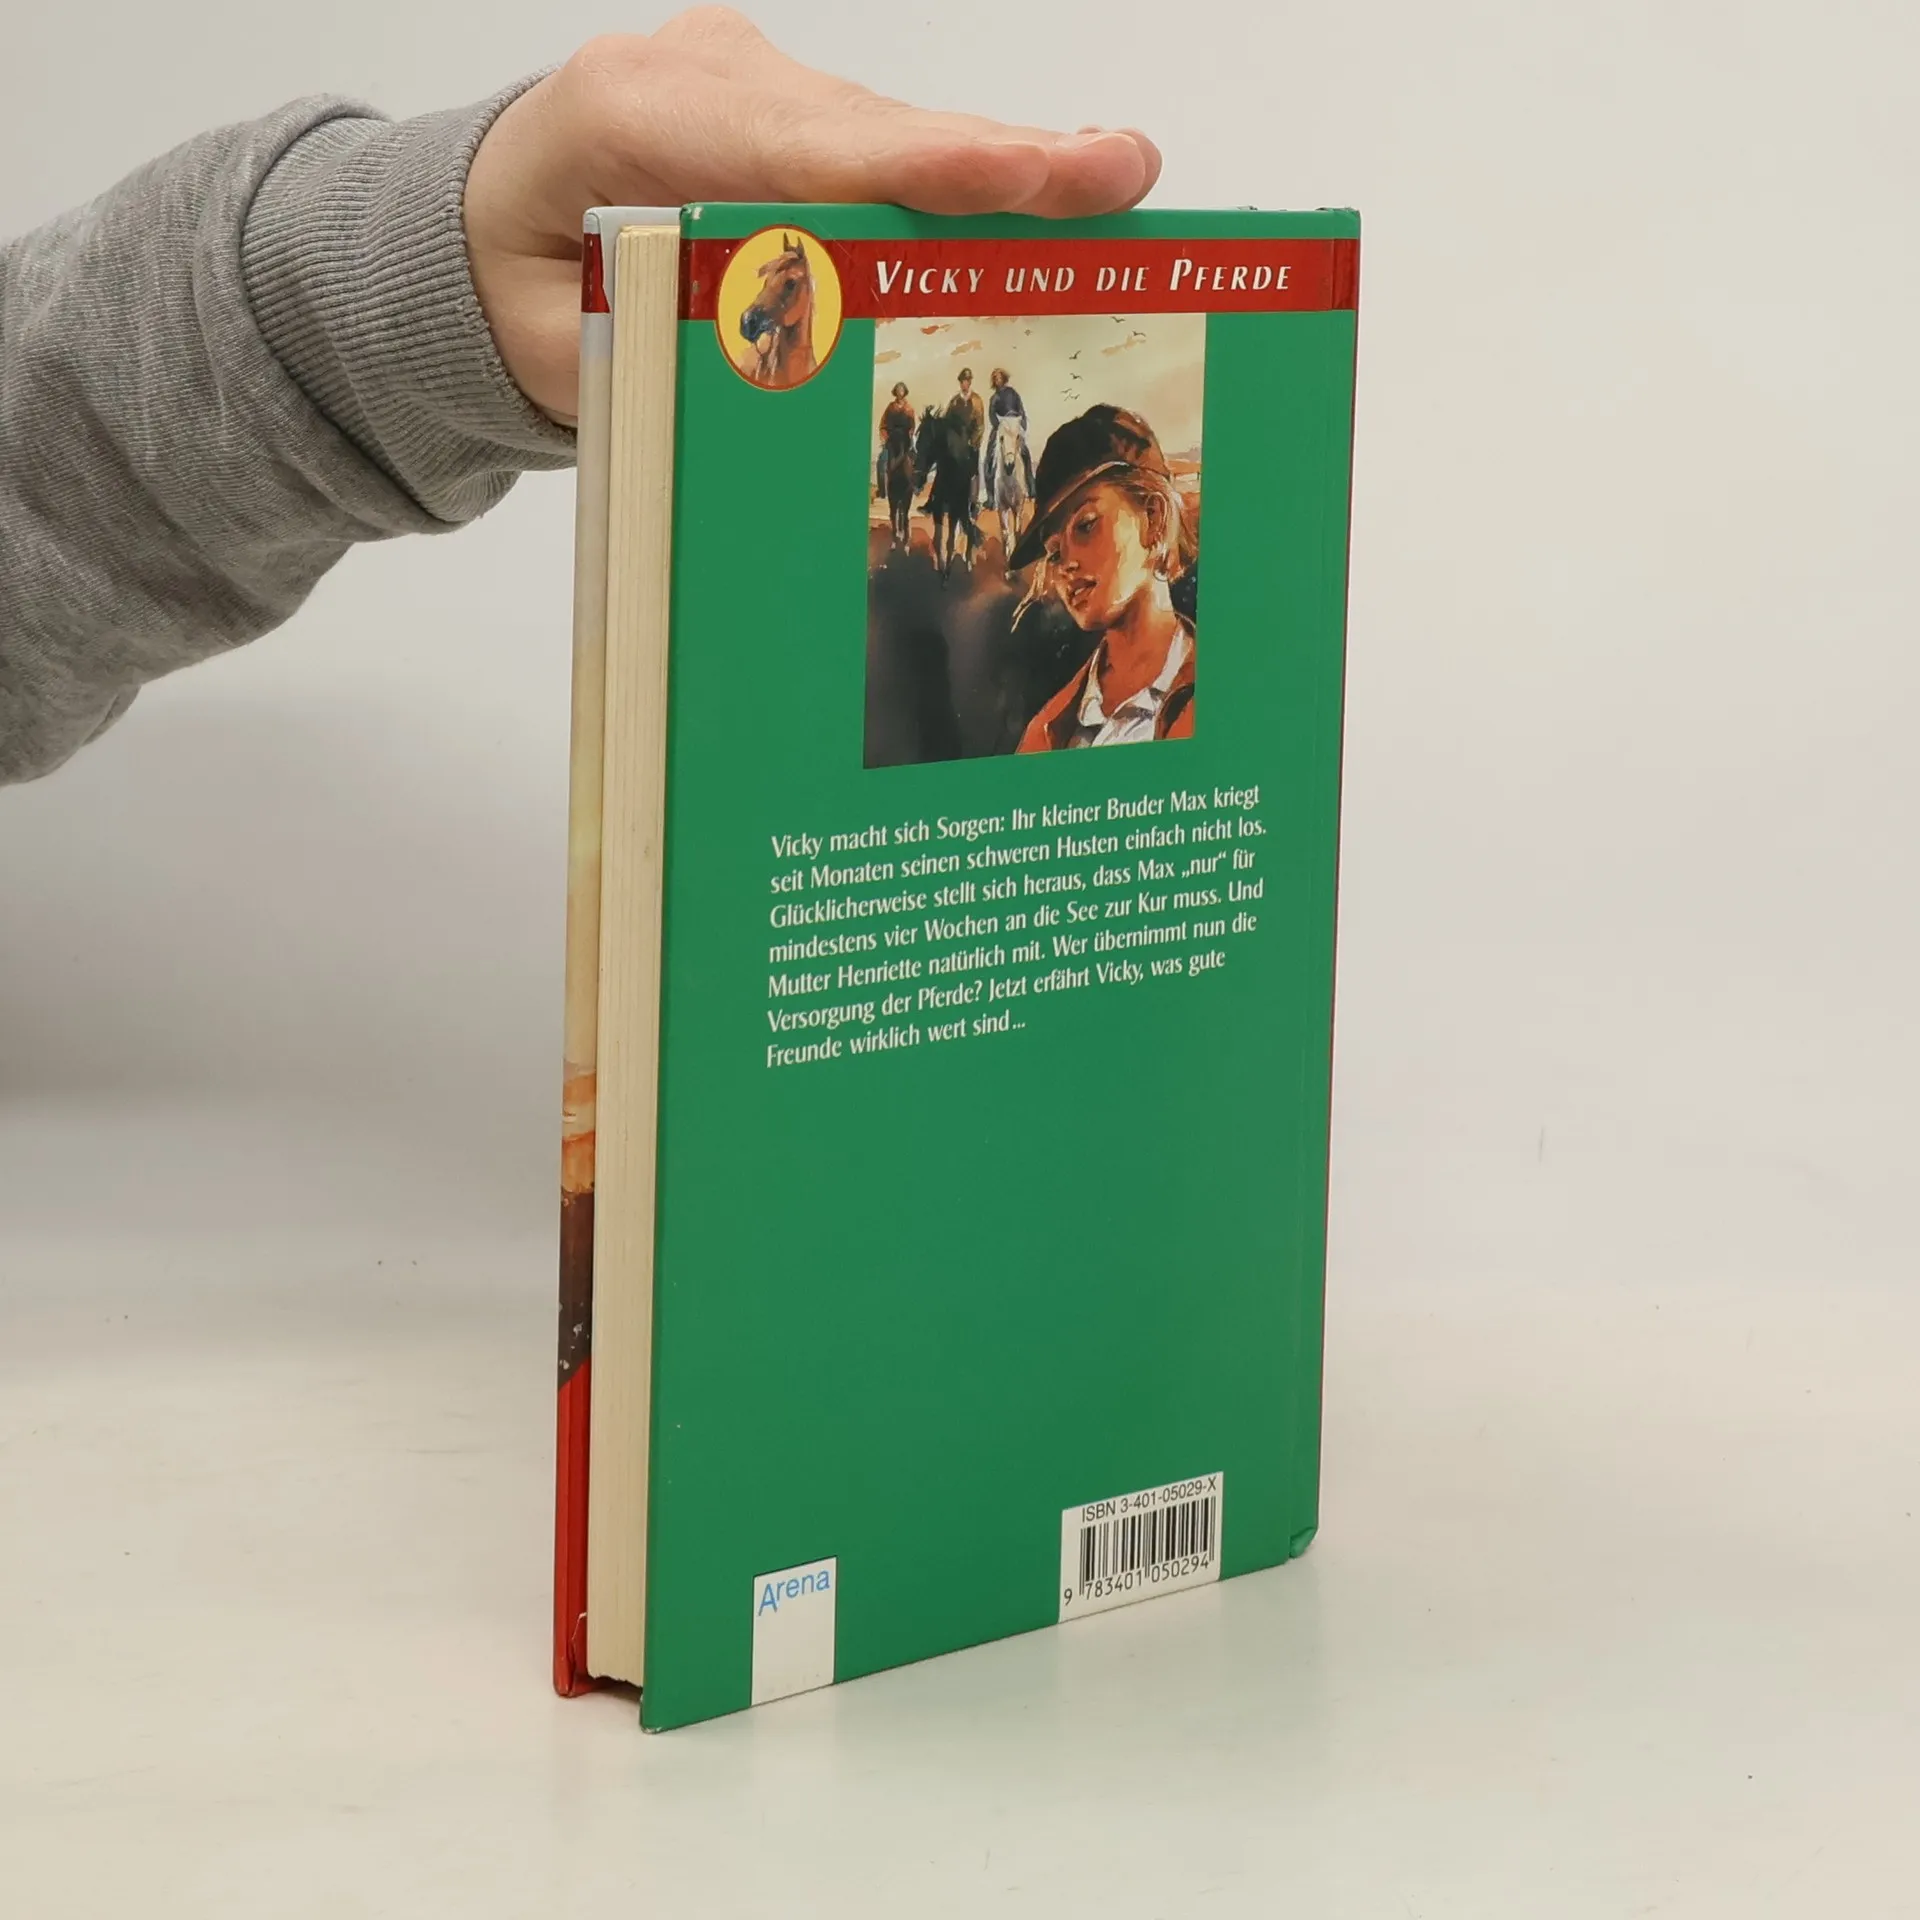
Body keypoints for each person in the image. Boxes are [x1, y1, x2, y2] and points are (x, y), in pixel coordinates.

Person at [0, 9, 1161, 788]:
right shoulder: (1034, 690)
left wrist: (360, 287)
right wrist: (353, 297)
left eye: (1083, 525)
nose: (1067, 557)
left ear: (1153, 521)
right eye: (1061, 532)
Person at [1010, 405, 1195, 751]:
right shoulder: (1047, 731)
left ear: (1153, 517)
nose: (1066, 565)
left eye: (1086, 525)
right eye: (1054, 552)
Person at [985, 367, 1035, 492]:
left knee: (1025, 453)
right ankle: (990, 494)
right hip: (1002, 426)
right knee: (990, 455)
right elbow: (992, 415)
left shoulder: (1013, 393)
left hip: (1014, 425)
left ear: (1004, 378)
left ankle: (1031, 487)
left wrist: (1022, 424)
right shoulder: (994, 398)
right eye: (995, 379)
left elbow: (1020, 408)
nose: (998, 380)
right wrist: (998, 426)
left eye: (999, 378)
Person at [876, 381, 916, 499]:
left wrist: (910, 434)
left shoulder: (909, 408)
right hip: (892, 439)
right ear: (895, 392)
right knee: (882, 461)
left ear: (905, 392)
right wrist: (885, 437)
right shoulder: (890, 407)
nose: (900, 392)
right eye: (898, 390)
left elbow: (912, 425)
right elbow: (883, 424)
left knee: (915, 458)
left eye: (902, 389)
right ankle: (883, 490)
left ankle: (915, 486)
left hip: (905, 439)